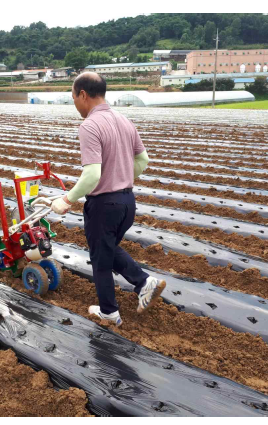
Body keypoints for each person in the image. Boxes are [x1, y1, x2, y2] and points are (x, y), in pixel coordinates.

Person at [51, 72, 166, 326]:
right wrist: (121, 177)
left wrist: (67, 200)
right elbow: (143, 160)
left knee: (101, 260)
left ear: (83, 94)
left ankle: (110, 312)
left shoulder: (90, 126)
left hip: (104, 205)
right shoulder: (125, 121)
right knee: (108, 249)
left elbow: (92, 174)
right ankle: (144, 282)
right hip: (127, 203)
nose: (74, 104)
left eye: (73, 97)